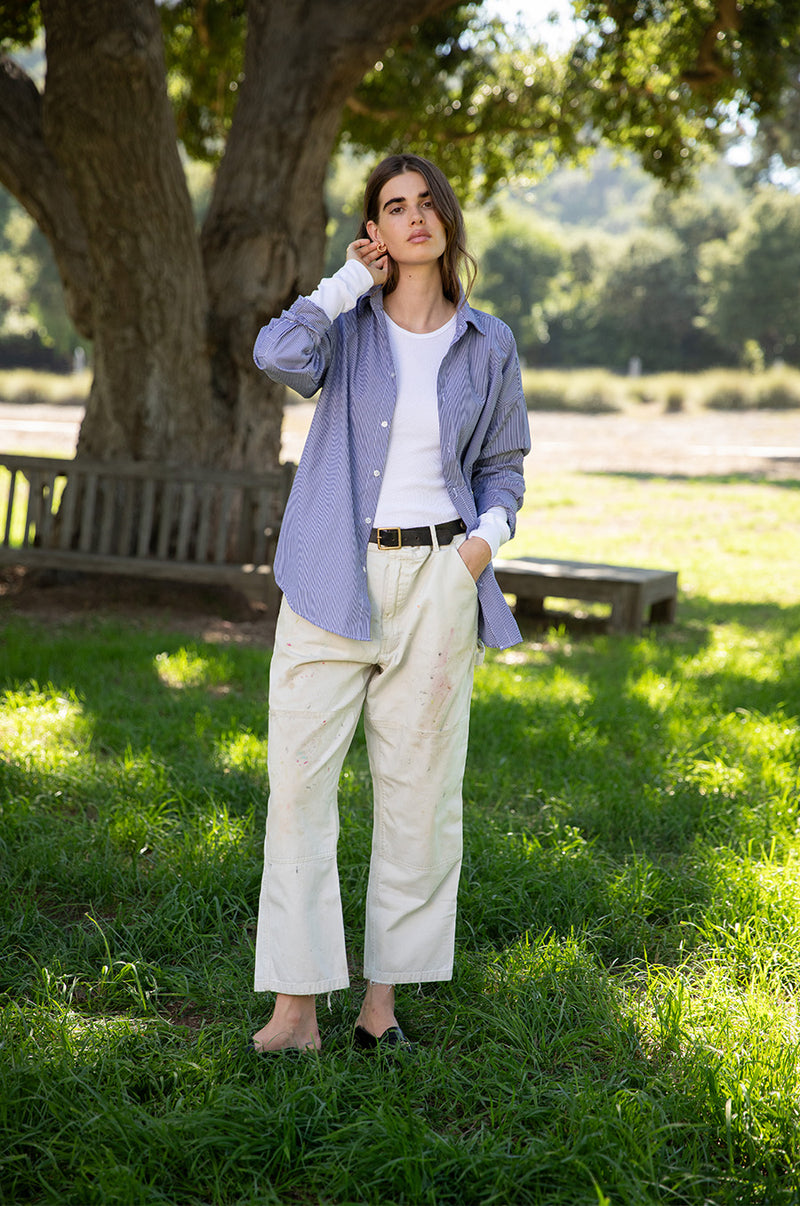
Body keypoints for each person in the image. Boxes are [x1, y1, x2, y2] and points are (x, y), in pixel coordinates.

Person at [251, 153, 530, 1055]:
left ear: (446, 218)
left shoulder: (489, 343)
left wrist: (485, 542)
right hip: (334, 574)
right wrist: (341, 283)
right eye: (392, 208)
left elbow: (505, 464)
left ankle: (381, 1007)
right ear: (375, 229)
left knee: (418, 798)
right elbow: (275, 355)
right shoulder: (348, 326)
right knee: (297, 790)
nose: (413, 218)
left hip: (441, 584)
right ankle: (296, 1009)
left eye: (424, 203)